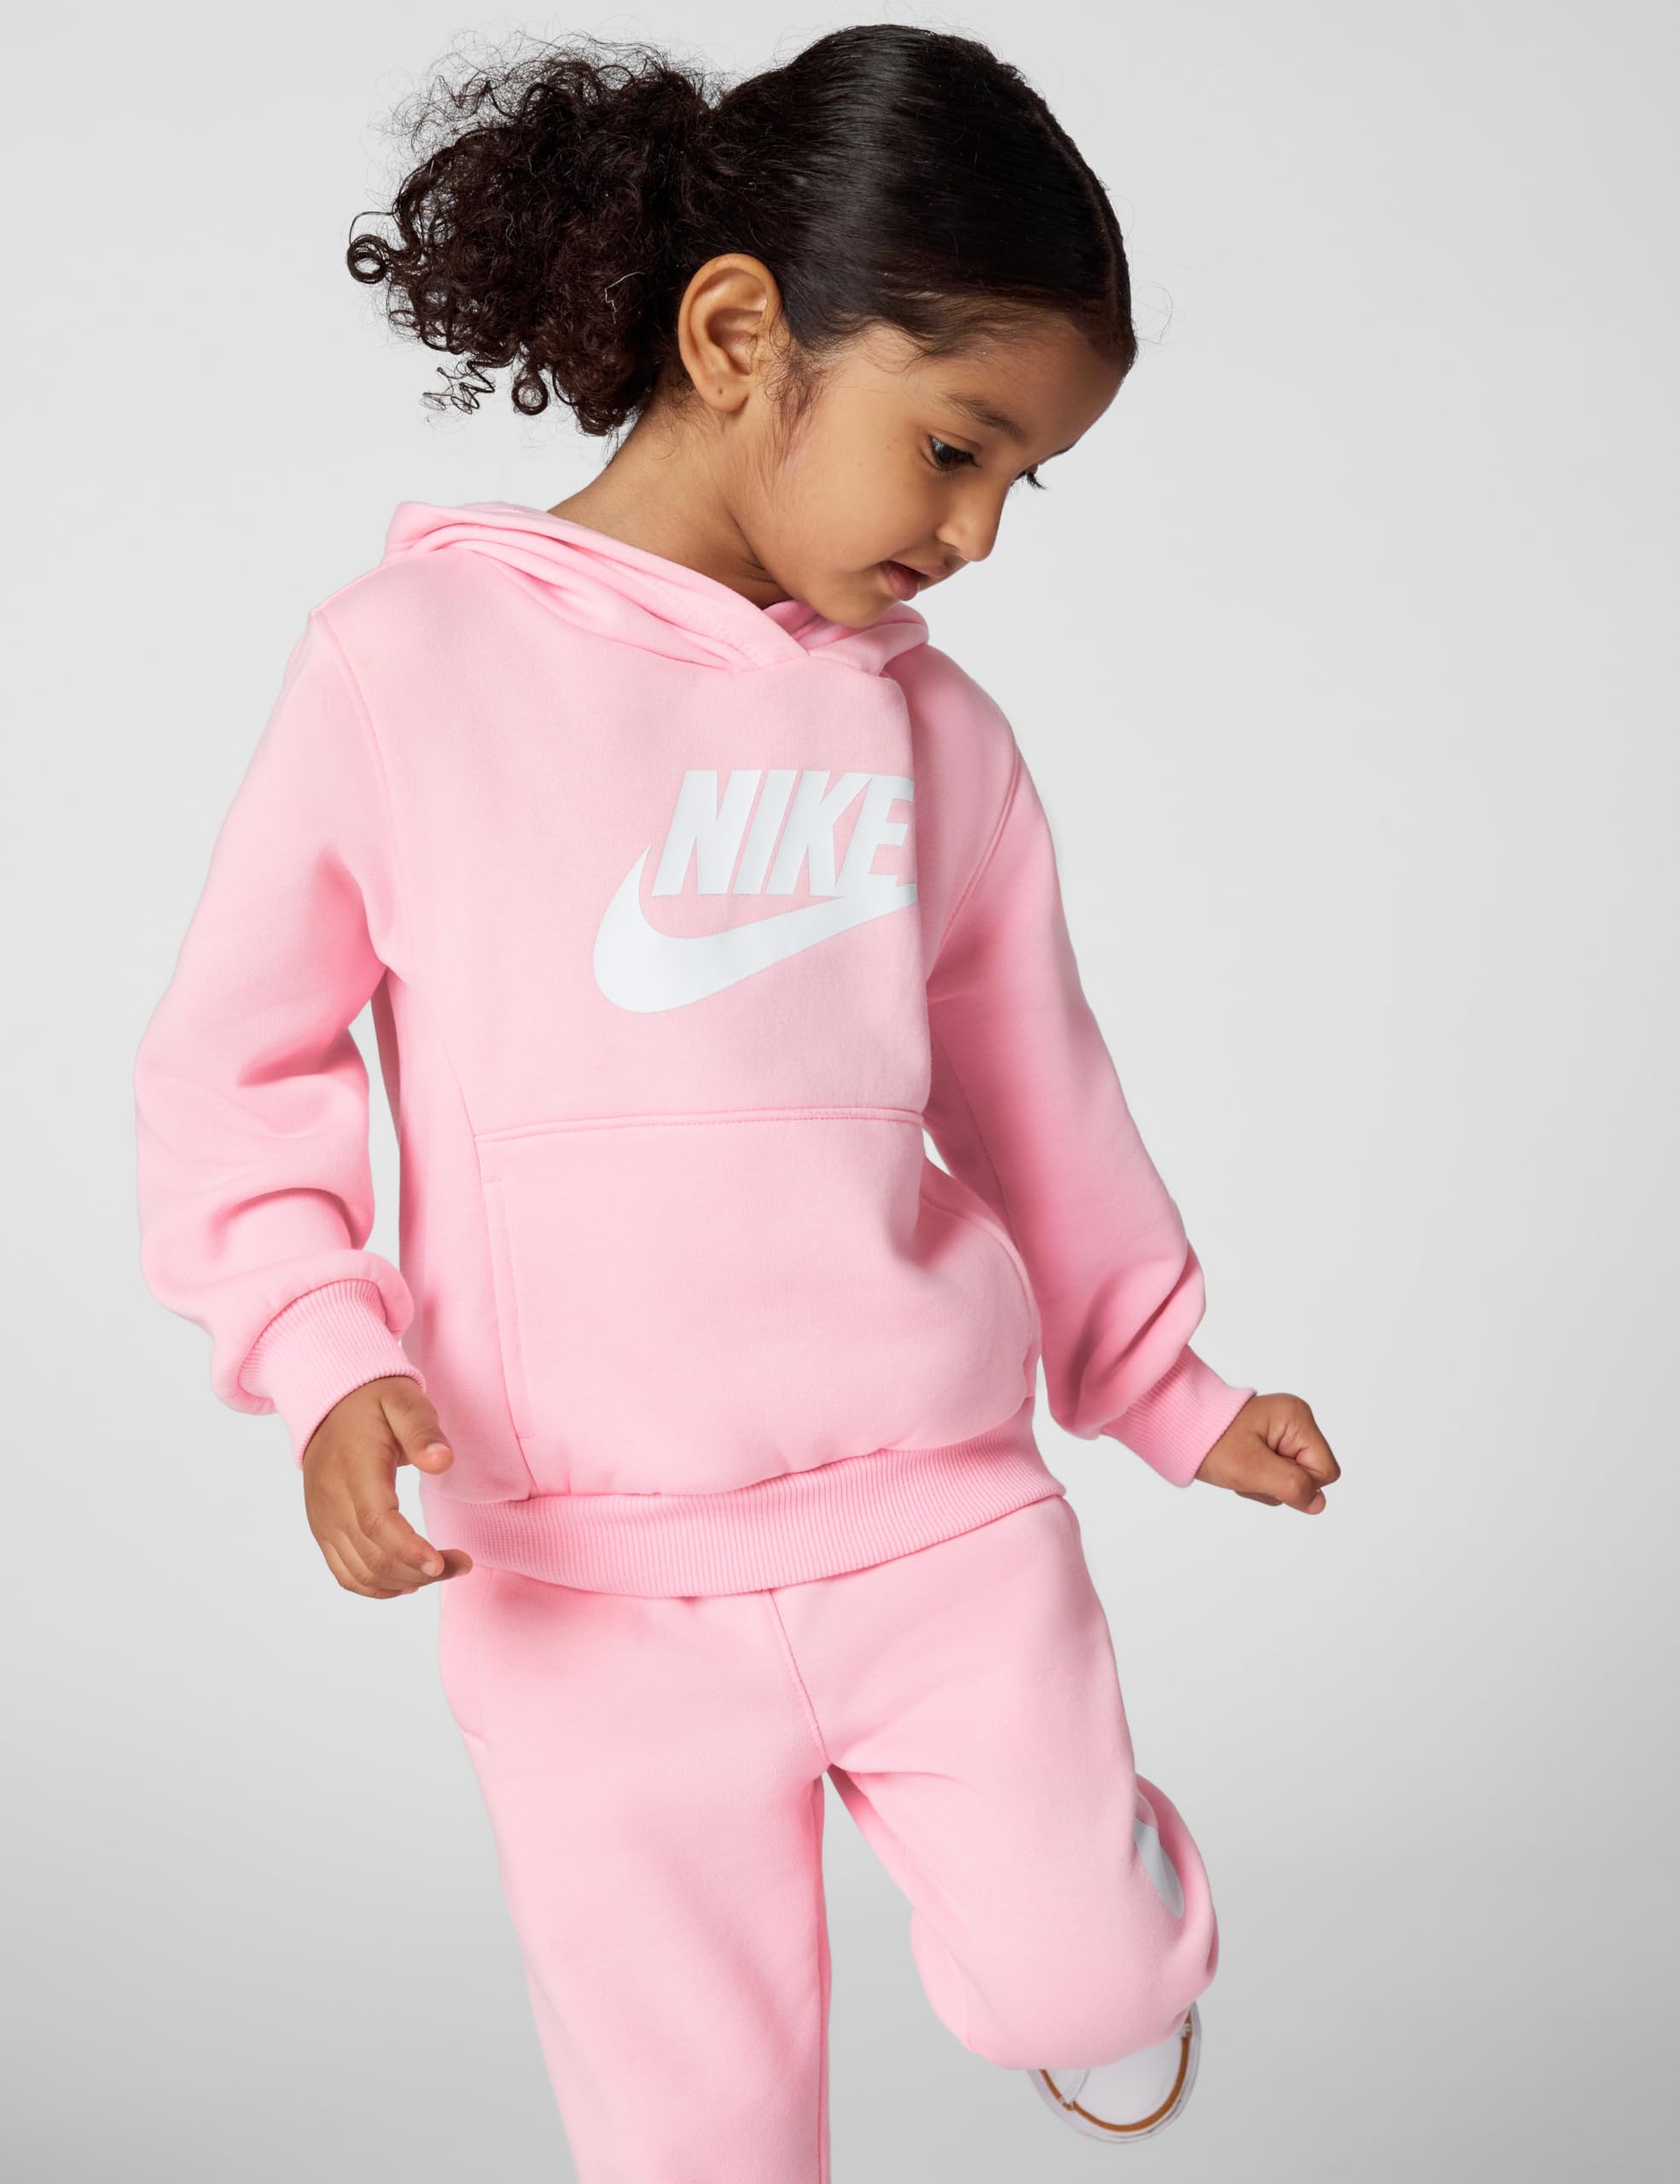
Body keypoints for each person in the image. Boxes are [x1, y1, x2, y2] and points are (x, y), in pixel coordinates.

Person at [132, 22, 1341, 2181]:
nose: (977, 531)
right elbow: (236, 1064)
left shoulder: (938, 739)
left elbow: (1038, 1091)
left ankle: (1095, 1967)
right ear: (733, 337)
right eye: (955, 447)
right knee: (694, 2138)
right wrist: (322, 1351)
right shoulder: (406, 666)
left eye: (1021, 481)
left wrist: (1164, 1383)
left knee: (1084, 1978)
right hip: (582, 1588)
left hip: (937, 1520)